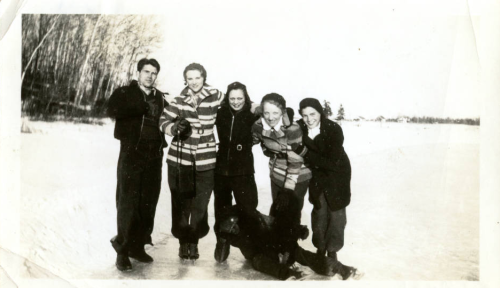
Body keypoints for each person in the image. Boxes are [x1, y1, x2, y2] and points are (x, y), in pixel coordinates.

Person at [107, 58, 168, 271]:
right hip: (132, 153)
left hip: (154, 155)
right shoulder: (125, 93)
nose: (150, 76)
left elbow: (169, 119)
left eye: (154, 72)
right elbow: (111, 109)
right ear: (139, 73)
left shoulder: (160, 97)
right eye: (146, 71)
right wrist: (139, 106)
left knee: (147, 203)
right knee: (128, 203)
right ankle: (122, 250)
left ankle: (138, 246)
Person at [159, 63, 223, 260]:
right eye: (190, 78)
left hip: (206, 158)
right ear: (185, 80)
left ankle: (193, 240)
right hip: (180, 158)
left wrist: (256, 107)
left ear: (204, 77)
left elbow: (239, 103)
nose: (194, 82)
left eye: (197, 77)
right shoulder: (179, 100)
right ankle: (183, 242)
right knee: (181, 204)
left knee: (200, 205)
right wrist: (173, 128)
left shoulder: (216, 96)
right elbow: (163, 121)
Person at [214, 197, 356, 280]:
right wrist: (221, 240)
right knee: (258, 261)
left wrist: (298, 230)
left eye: (235, 225)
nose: (235, 229)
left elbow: (276, 223)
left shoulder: (252, 218)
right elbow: (220, 258)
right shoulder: (229, 236)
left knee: (301, 254)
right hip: (262, 255)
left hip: (276, 245)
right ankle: (290, 275)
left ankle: (341, 269)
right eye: (232, 229)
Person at [296, 98, 352, 265]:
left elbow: (331, 161)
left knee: (337, 215)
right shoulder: (300, 127)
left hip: (337, 174)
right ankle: (320, 248)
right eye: (304, 115)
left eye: (313, 114)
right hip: (317, 176)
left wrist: (305, 153)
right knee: (319, 213)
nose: (309, 119)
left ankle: (332, 250)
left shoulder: (333, 129)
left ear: (320, 113)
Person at [213, 81, 260, 262]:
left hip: (243, 169)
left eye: (240, 98)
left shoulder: (252, 113)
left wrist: (258, 106)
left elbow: (279, 113)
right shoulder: (221, 112)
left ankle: (250, 247)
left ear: (245, 97)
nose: (236, 102)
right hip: (222, 169)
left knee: (248, 208)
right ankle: (222, 240)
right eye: (232, 98)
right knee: (222, 209)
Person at [251, 93, 311, 228]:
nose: (270, 117)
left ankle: (290, 246)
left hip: (298, 174)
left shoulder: (292, 129)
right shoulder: (258, 125)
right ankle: (276, 245)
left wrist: (289, 188)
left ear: (283, 112)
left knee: (291, 212)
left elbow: (296, 159)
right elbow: (253, 139)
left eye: (275, 113)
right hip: (277, 172)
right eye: (266, 113)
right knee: (277, 210)